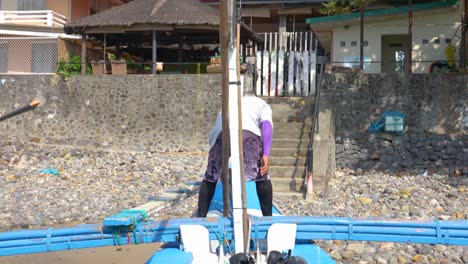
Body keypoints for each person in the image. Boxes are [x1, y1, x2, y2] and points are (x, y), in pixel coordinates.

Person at [197, 88, 273, 217]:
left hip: (221, 133)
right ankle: (267, 217)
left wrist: (215, 163)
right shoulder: (261, 103)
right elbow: (266, 126)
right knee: (262, 176)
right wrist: (265, 154)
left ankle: (201, 217)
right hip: (248, 133)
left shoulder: (229, 103)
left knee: (210, 178)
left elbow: (215, 132)